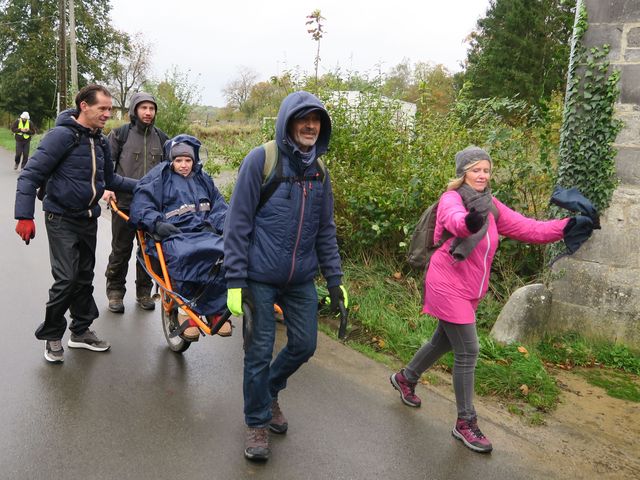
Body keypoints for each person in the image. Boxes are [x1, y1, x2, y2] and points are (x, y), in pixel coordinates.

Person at [389, 146, 592, 454]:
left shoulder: (491, 206)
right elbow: (456, 221)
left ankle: (406, 377)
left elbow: (530, 228)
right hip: (446, 285)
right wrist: (470, 222)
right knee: (468, 350)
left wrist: (566, 227)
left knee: (443, 342)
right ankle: (465, 423)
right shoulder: (451, 200)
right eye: (475, 170)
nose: (482, 175)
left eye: (486, 170)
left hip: (470, 290)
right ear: (463, 173)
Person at [224, 91, 348, 461]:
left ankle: (270, 390)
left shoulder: (319, 172)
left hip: (299, 278)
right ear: (288, 122)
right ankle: (257, 422)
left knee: (305, 345)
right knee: (259, 351)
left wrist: (335, 278)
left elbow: (325, 229)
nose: (311, 125)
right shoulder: (261, 160)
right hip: (259, 275)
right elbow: (238, 222)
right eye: (303, 119)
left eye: (317, 120)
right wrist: (234, 279)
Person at [14, 84, 137, 364]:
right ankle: (52, 333)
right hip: (61, 217)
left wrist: (147, 186)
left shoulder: (100, 140)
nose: (108, 113)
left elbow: (110, 181)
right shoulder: (61, 136)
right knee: (67, 278)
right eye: (102, 108)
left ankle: (80, 332)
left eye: (110, 109)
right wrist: (24, 216)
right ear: (84, 106)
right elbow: (30, 176)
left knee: (83, 277)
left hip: (87, 218)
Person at [129, 134, 231, 339]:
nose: (184, 165)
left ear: (194, 161)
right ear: (171, 160)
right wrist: (157, 223)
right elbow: (142, 205)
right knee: (184, 256)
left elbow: (220, 207)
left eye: (188, 160)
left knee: (225, 254)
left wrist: (226, 225)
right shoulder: (160, 177)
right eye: (178, 160)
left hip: (203, 231)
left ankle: (215, 310)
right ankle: (186, 312)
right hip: (174, 234)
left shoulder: (203, 178)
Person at [103, 92, 169, 314]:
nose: (148, 113)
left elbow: (170, 170)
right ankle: (115, 292)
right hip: (124, 203)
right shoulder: (120, 135)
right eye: (144, 108)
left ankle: (144, 292)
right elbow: (107, 164)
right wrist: (108, 188)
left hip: (152, 207)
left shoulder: (162, 137)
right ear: (134, 110)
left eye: (152, 109)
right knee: (121, 249)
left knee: (148, 251)